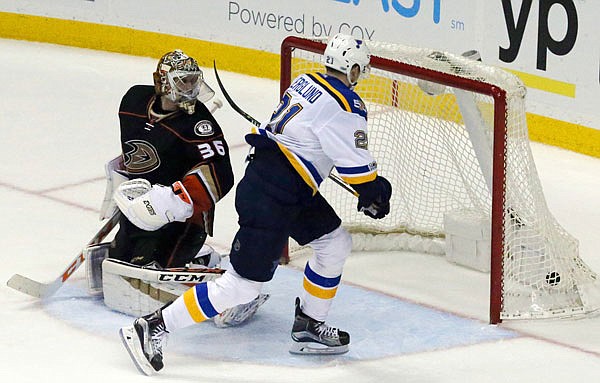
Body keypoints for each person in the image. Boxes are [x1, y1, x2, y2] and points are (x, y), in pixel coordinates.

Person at [119, 34, 392, 375]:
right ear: (353, 69)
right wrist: (376, 192)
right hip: (274, 195)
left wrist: (366, 188)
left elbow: (312, 139)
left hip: (286, 186)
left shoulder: (307, 82)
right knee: (242, 285)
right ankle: (153, 327)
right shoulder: (346, 106)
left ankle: (309, 325)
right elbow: (356, 168)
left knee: (335, 242)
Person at [85, 49, 267, 327]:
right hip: (141, 210)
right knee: (122, 267)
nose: (191, 88)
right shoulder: (133, 100)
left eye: (194, 80)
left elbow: (220, 174)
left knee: (153, 277)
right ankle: (202, 260)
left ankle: (232, 289)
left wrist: (172, 200)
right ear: (162, 82)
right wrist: (121, 179)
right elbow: (138, 148)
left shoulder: (199, 123)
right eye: (183, 81)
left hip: (184, 218)